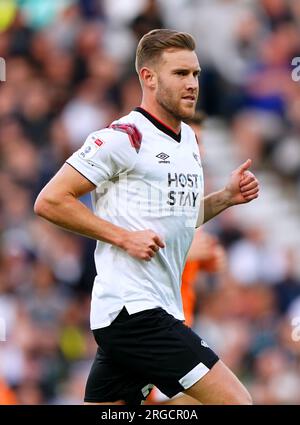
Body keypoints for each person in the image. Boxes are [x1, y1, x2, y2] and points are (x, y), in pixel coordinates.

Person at [34, 29, 259, 405]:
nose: (192, 84)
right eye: (180, 74)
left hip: (147, 310)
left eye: (196, 74)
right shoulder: (124, 136)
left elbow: (175, 219)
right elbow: (50, 200)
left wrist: (224, 198)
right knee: (236, 402)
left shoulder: (187, 139)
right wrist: (123, 237)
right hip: (135, 311)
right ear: (148, 78)